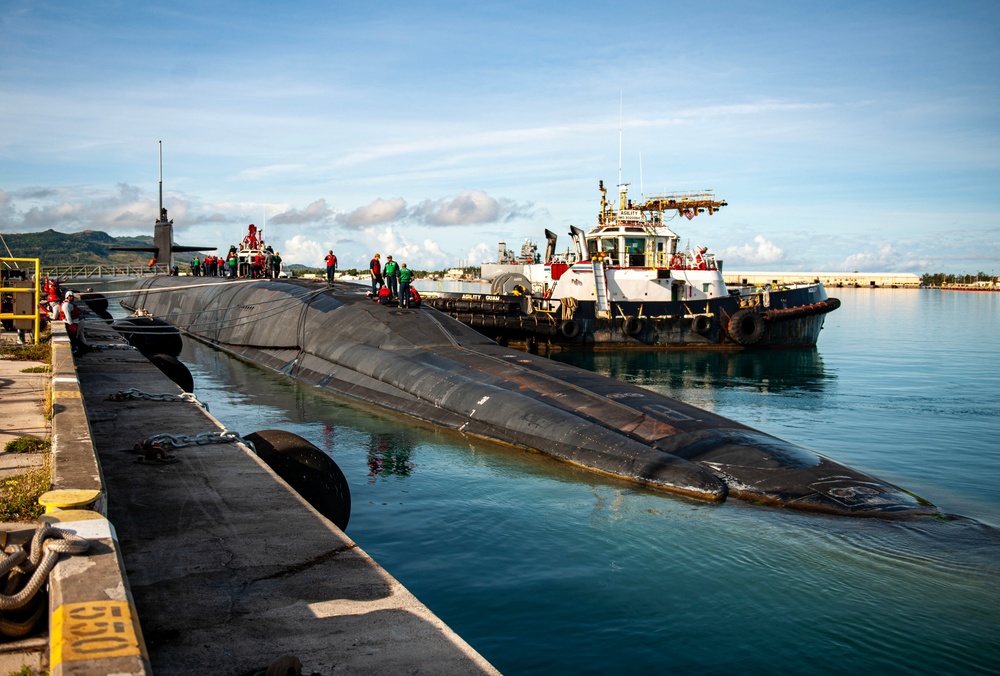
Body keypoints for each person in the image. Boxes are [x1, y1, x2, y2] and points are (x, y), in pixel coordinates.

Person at [61, 290, 84, 355]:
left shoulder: (70, 304)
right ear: (67, 297)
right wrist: (71, 324)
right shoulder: (66, 305)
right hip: (72, 323)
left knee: (78, 336)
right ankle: (77, 349)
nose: (72, 298)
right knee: (74, 338)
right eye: (70, 296)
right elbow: (68, 315)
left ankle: (80, 348)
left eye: (72, 297)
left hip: (75, 322)